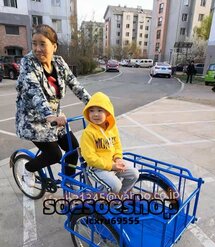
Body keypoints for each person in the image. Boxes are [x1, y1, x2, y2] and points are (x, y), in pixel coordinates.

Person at [15, 24, 91, 190]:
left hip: (56, 119)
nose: (37, 48)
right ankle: (28, 169)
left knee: (73, 149)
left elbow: (75, 85)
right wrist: (49, 115)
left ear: (54, 46)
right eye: (34, 43)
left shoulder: (59, 62)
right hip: (33, 121)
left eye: (42, 44)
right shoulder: (28, 63)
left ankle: (68, 181)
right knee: (54, 154)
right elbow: (35, 92)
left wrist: (93, 104)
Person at [80, 92, 139, 194]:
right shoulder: (88, 133)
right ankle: (100, 200)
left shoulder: (112, 128)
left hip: (113, 164)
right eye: (91, 110)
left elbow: (117, 145)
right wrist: (111, 166)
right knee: (116, 185)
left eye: (100, 110)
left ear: (107, 112)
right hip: (96, 168)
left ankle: (120, 195)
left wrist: (118, 158)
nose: (95, 114)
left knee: (134, 174)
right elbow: (90, 158)